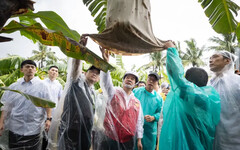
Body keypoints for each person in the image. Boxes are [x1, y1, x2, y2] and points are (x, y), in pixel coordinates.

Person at [159, 41, 221, 150]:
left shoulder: (191, 93)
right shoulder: (211, 97)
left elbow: (176, 75)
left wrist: (172, 50)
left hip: (186, 144)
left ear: (189, 80)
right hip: (203, 144)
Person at [58, 36, 100, 150]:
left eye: (97, 73)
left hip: (85, 130)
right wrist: (80, 51)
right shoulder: (77, 83)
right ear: (85, 73)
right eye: (92, 71)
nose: (95, 73)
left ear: (99, 79)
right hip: (71, 129)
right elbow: (75, 68)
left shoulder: (93, 92)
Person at [0, 60, 52, 150]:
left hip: (34, 128)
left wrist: (48, 119)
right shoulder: (14, 87)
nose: (30, 69)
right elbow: (7, 106)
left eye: (32, 67)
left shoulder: (43, 86)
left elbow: (48, 104)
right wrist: (1, 122)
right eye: (27, 67)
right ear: (21, 70)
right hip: (15, 127)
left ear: (35, 70)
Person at [99, 47, 144, 150]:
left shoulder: (136, 102)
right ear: (123, 80)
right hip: (110, 137)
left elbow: (139, 122)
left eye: (132, 79)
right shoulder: (113, 92)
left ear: (135, 84)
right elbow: (106, 82)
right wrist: (105, 62)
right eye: (127, 77)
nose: (129, 79)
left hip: (128, 140)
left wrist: (139, 139)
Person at [209, 51, 240, 150]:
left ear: (227, 60)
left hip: (233, 141)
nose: (210, 60)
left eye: (215, 57)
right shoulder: (209, 84)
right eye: (210, 57)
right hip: (213, 141)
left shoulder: (237, 82)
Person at [133, 72, 162, 150]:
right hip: (134, 129)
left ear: (157, 83)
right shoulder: (136, 92)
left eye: (154, 80)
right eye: (150, 79)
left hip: (149, 132)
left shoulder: (159, 99)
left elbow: (162, 113)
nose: (151, 81)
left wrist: (153, 117)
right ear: (147, 80)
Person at [42, 65, 62, 150]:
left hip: (54, 114)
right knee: (42, 134)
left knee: (52, 135)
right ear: (48, 71)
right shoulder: (42, 83)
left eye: (56, 71)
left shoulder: (59, 85)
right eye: (52, 70)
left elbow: (60, 99)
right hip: (42, 113)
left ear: (57, 74)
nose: (54, 72)